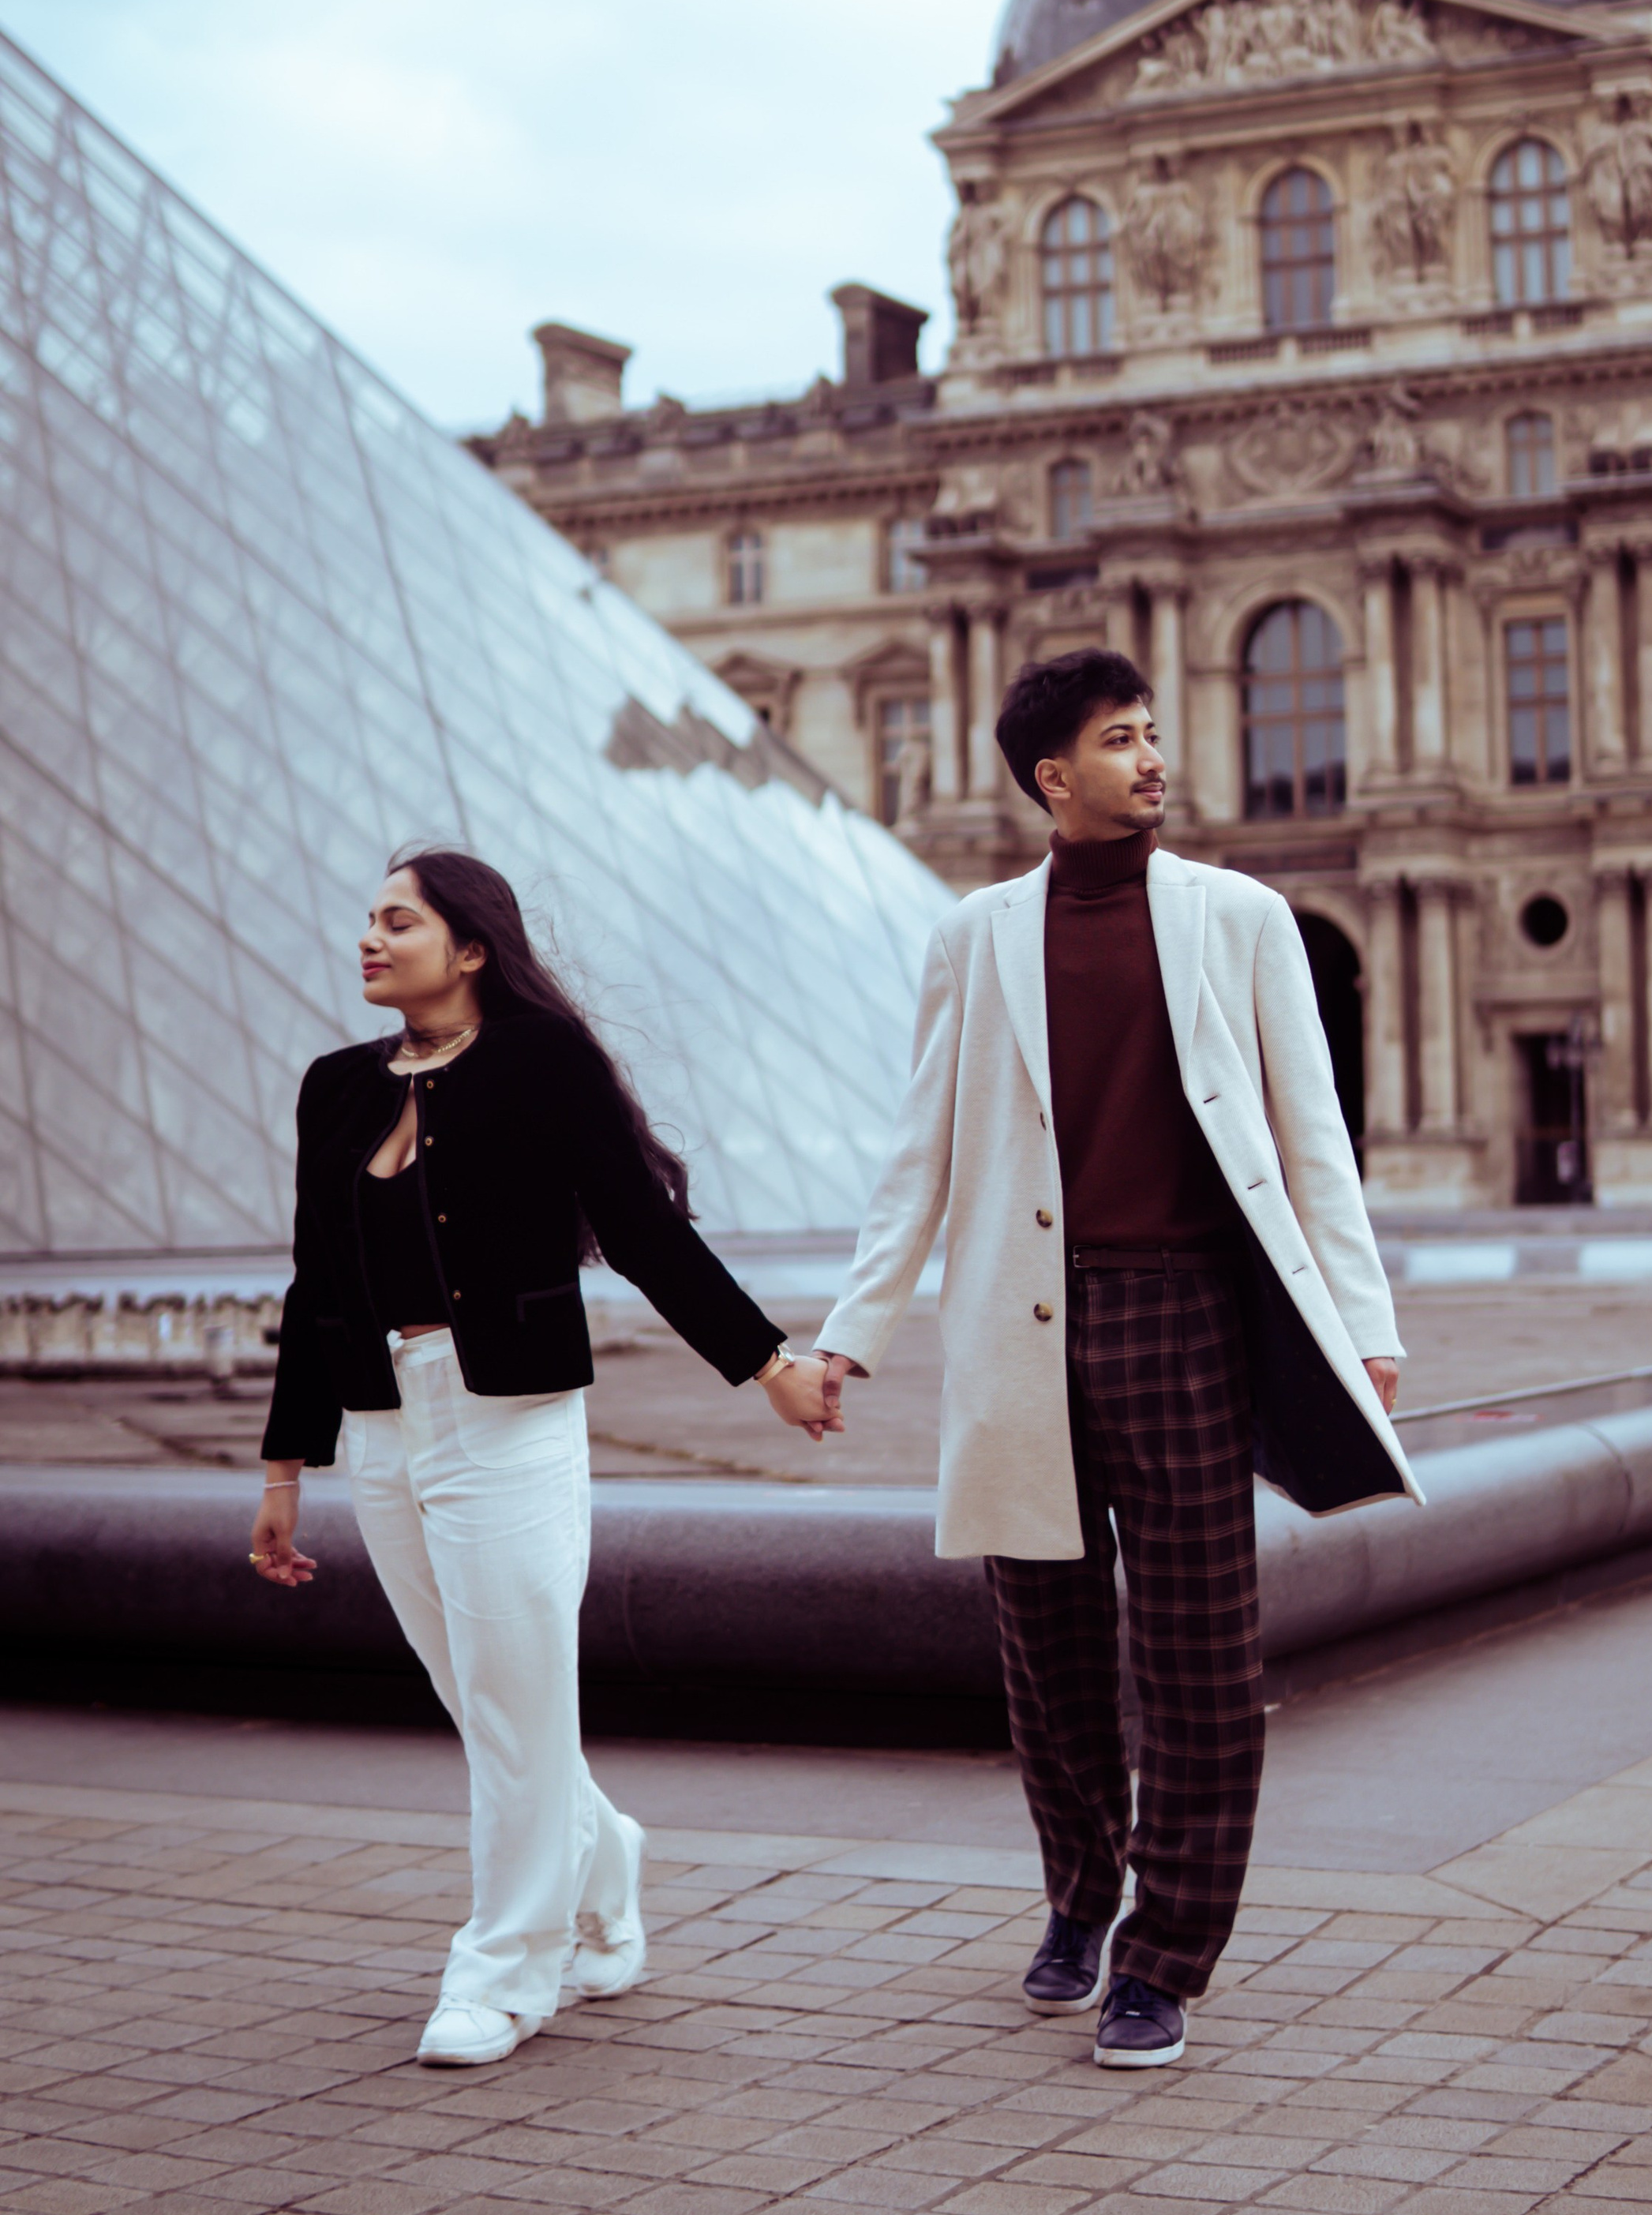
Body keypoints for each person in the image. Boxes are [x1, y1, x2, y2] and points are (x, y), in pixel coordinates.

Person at [814, 650, 1420, 2070]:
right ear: (1052, 776)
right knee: (1048, 1646)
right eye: (1119, 740)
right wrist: (852, 1330)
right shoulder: (974, 936)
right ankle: (1083, 1893)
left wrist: (1365, 1322)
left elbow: (1311, 1132)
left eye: (1152, 733)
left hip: (1187, 1315)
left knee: (1200, 1648)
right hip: (1019, 1319)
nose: (1152, 759)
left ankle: (1166, 1955)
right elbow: (921, 1151)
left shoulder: (1241, 917)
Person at [250, 849, 839, 2067]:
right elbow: (315, 1283)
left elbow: (641, 1231)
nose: (369, 938)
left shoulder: (540, 1061)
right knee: (483, 1700)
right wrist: (283, 1470)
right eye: (369, 920)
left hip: (506, 1418)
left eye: (398, 921)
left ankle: (507, 1972)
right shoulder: (335, 1088)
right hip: (382, 1422)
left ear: (471, 948)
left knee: (514, 1697)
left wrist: (767, 1363)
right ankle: (604, 1859)